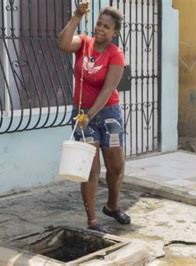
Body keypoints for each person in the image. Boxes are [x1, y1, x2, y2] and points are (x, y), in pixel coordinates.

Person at [58, 1, 130, 233]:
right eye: (99, 24)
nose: (100, 29)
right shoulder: (84, 43)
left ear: (115, 32)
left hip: (108, 114)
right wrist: (77, 16)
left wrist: (91, 114)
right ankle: (92, 221)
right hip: (82, 115)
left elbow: (108, 90)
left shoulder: (116, 55)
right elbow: (63, 43)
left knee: (116, 166)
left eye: (106, 27)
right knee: (89, 168)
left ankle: (112, 206)